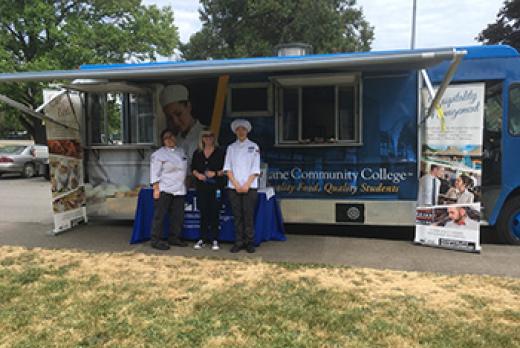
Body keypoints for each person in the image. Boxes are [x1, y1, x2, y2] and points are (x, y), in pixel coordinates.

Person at [224, 119, 261, 253]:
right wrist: (236, 184)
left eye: (243, 129)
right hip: (234, 187)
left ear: (247, 131)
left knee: (248, 215)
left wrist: (246, 185)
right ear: (235, 132)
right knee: (237, 215)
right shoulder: (231, 148)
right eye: (238, 129)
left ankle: (249, 242)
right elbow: (227, 168)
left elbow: (255, 169)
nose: (241, 132)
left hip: (249, 187)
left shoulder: (254, 146)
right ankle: (238, 242)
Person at [149, 129, 188, 250]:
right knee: (159, 216)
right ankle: (155, 240)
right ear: (163, 141)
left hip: (180, 189)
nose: (170, 139)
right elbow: (154, 173)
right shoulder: (158, 154)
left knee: (178, 216)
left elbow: (185, 169)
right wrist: (156, 189)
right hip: (165, 188)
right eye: (166, 138)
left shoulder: (181, 151)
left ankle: (174, 237)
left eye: (171, 136)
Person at [191, 130, 226, 251]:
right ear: (202, 138)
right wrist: (198, 175)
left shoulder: (221, 152)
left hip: (216, 187)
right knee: (204, 212)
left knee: (215, 212)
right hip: (202, 187)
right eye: (205, 136)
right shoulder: (197, 153)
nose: (208, 138)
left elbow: (226, 170)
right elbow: (193, 168)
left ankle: (215, 239)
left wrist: (215, 173)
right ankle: (202, 238)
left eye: (211, 136)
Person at [159, 84, 207, 165]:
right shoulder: (173, 141)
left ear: (188, 106)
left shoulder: (206, 134)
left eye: (178, 114)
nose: (175, 122)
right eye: (170, 118)